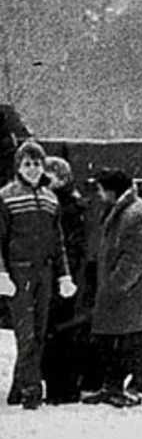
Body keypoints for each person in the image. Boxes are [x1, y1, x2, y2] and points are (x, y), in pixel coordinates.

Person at [1, 140, 77, 409]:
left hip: (44, 274)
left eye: (36, 164)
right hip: (19, 274)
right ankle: (32, 392)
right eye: (27, 164)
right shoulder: (6, 196)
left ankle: (16, 390)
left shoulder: (49, 199)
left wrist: (63, 275)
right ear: (18, 167)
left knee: (39, 333)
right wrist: (2, 274)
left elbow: (58, 243)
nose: (32, 169)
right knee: (26, 334)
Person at [88, 167, 142, 407]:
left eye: (100, 189)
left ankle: (134, 389)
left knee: (134, 343)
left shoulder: (135, 214)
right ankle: (112, 387)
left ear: (112, 191)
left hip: (133, 294)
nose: (98, 195)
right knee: (116, 342)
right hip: (124, 293)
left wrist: (115, 285)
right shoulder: (124, 210)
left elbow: (137, 257)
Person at [39, 156, 96, 404]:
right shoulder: (70, 205)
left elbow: (68, 249)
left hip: (64, 281)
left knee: (60, 337)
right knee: (62, 335)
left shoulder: (65, 208)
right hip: (66, 280)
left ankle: (62, 391)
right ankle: (64, 387)